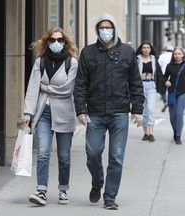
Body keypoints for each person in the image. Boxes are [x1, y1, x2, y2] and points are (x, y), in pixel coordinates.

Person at [74, 13, 144, 210]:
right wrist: (81, 110)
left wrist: (137, 110)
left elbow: (135, 84)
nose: (105, 31)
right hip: (94, 113)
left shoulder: (127, 52)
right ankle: (97, 182)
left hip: (119, 113)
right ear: (97, 30)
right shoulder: (88, 53)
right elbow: (80, 84)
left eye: (108, 27)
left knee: (116, 156)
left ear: (114, 29)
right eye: (102, 28)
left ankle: (110, 196)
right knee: (93, 153)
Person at [22, 27, 78, 206]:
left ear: (65, 43)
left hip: (65, 113)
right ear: (47, 42)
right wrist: (27, 113)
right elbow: (32, 87)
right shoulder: (40, 62)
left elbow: (67, 89)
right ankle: (41, 191)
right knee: (43, 153)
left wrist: (45, 88)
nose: (56, 43)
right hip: (44, 113)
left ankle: (63, 189)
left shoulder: (72, 63)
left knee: (64, 155)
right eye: (52, 40)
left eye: (60, 40)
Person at [163, 47, 185, 145]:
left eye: (179, 54)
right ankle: (175, 130)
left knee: (179, 114)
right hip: (172, 92)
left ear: (183, 55)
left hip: (183, 92)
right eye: (175, 54)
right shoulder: (170, 66)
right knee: (172, 115)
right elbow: (164, 77)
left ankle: (178, 136)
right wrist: (166, 81)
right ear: (173, 55)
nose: (177, 56)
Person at [136, 41, 163, 142]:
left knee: (150, 110)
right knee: (143, 111)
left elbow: (159, 74)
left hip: (151, 85)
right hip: (140, 86)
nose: (146, 49)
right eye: (144, 47)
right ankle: (145, 133)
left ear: (150, 49)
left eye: (148, 47)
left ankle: (151, 133)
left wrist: (160, 88)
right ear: (141, 49)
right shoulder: (137, 59)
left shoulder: (154, 60)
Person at [158, 45, 174, 112]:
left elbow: (158, 65)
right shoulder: (173, 56)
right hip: (172, 75)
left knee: (163, 91)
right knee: (171, 90)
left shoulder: (162, 56)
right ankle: (170, 102)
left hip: (163, 75)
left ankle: (165, 102)